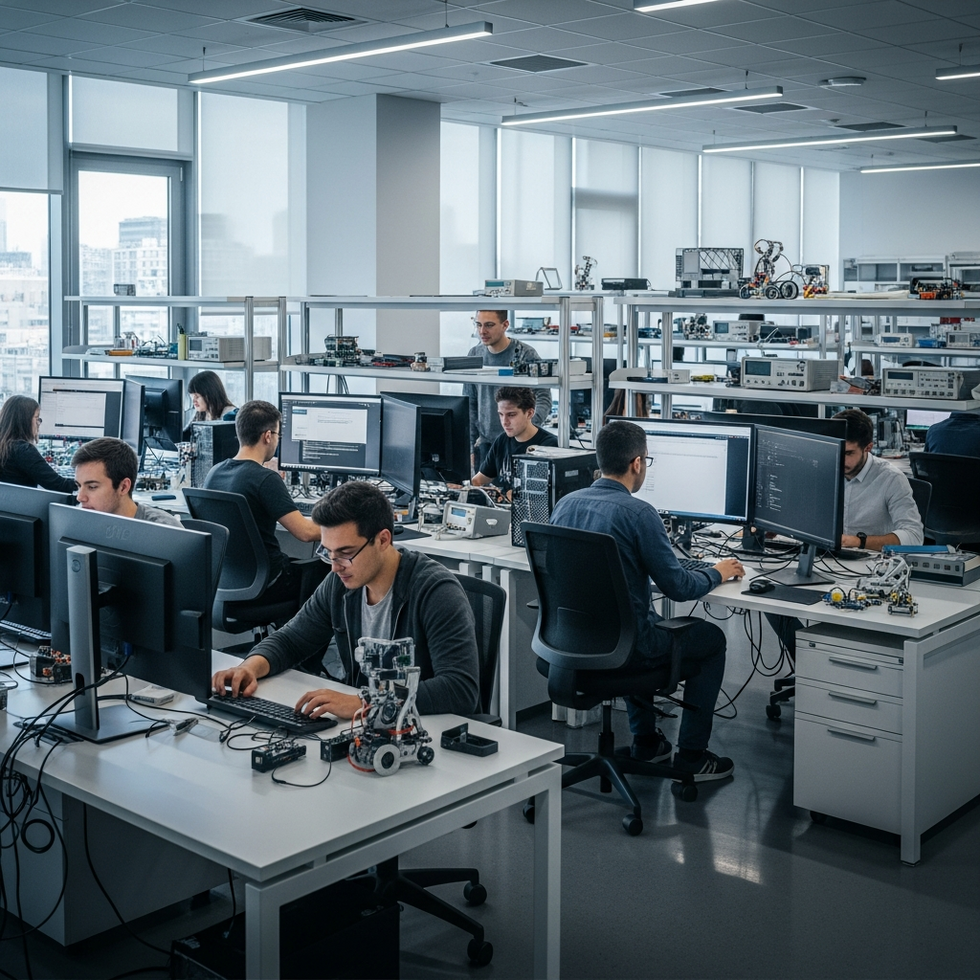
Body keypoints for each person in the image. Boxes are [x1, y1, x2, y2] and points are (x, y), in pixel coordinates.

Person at [550, 420, 745, 782]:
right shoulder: (639, 513)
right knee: (711, 640)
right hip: (627, 648)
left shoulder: (565, 504)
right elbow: (679, 587)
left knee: (641, 619)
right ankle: (691, 755)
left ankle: (646, 742)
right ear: (637, 464)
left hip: (572, 640)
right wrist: (718, 571)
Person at [211, 481, 480, 719]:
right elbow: (292, 639)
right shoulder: (341, 585)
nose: (335, 566)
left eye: (345, 553)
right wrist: (249, 667)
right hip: (368, 727)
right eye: (328, 553)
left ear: (383, 539)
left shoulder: (435, 591)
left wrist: (365, 702)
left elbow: (459, 688)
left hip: (424, 732)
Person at [765, 408, 923, 658]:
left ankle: (822, 669)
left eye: (848, 453)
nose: (840, 460)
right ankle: (809, 664)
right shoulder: (820, 466)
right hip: (821, 563)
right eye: (837, 450)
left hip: (867, 574)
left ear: (868, 447)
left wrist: (858, 542)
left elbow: (914, 537)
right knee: (769, 598)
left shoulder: (891, 479)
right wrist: (777, 524)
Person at [203, 400, 322, 605]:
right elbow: (307, 533)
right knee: (328, 567)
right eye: (278, 435)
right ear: (268, 436)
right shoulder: (265, 479)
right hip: (269, 585)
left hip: (225, 584)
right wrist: (349, 523)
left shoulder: (214, 473)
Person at [464, 310, 552, 472]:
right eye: (479, 325)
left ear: (505, 325)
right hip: (486, 444)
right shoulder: (474, 355)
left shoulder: (525, 354)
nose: (482, 331)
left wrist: (527, 431)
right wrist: (469, 447)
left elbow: (543, 398)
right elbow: (469, 404)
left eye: (489, 325)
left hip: (518, 444)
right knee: (483, 494)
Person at [73, 437, 181, 526]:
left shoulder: (164, 531)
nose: (80, 497)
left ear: (123, 487)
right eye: (78, 486)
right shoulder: (77, 523)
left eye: (92, 487)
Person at [470, 387, 557, 495]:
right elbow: (478, 480)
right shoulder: (501, 441)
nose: (504, 422)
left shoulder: (548, 446)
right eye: (501, 414)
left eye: (511, 415)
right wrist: (461, 486)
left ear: (530, 413)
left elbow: (533, 494)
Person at [0, 395, 77, 493]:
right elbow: (59, 485)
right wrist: (89, 483)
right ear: (25, 420)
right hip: (21, 506)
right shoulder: (23, 450)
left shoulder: (7, 447)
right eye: (37, 418)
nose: (38, 423)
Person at [184, 370, 236, 439]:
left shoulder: (229, 415)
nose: (194, 401)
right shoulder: (200, 413)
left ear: (210, 395)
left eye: (197, 397)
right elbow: (184, 436)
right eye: (192, 397)